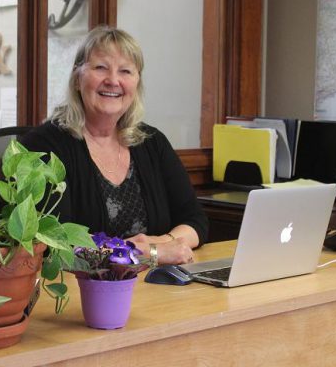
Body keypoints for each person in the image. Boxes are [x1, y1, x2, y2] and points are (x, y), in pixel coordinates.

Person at [20, 25, 208, 265]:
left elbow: (195, 221)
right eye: (101, 68)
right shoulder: (43, 146)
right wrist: (147, 254)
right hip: (80, 292)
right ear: (77, 79)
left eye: (126, 71)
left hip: (154, 287)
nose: (113, 81)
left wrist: (160, 242)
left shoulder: (152, 142)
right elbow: (55, 240)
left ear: (136, 84)